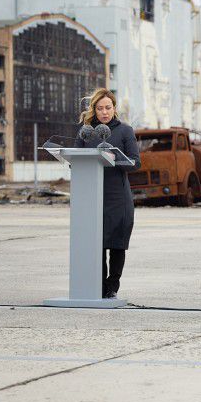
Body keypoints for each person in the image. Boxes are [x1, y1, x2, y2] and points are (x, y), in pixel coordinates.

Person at [75, 88, 140, 299]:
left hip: (117, 198)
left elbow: (135, 163)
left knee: (116, 244)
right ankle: (97, 286)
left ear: (114, 108)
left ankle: (111, 287)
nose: (104, 112)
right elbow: (74, 161)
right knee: (97, 244)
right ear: (94, 109)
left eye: (108, 108)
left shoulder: (125, 131)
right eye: (100, 108)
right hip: (92, 198)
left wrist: (114, 158)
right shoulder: (86, 132)